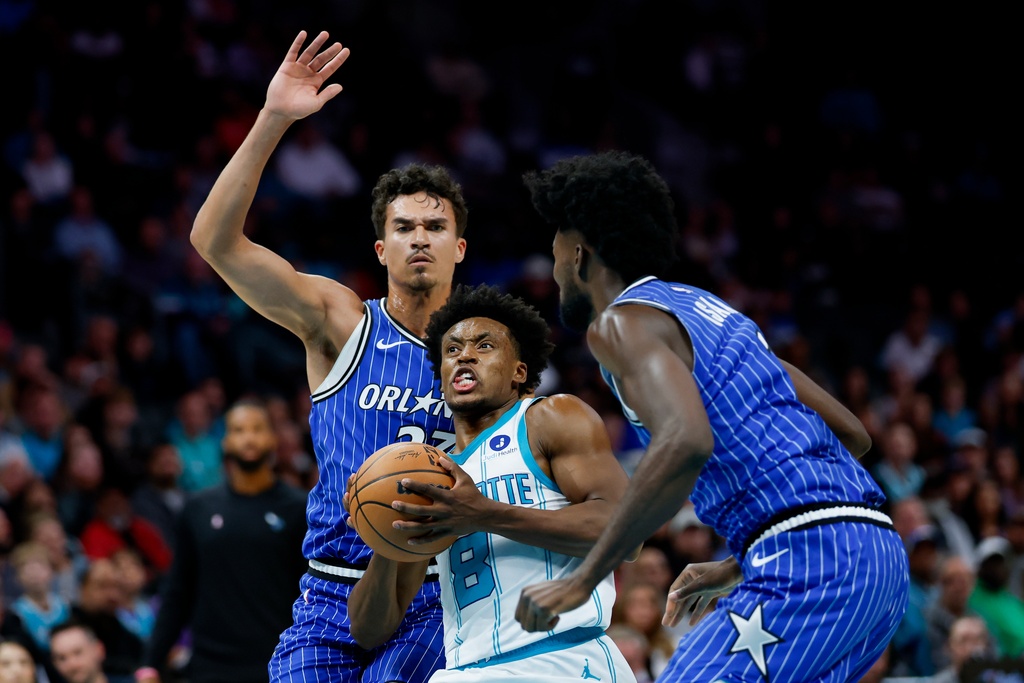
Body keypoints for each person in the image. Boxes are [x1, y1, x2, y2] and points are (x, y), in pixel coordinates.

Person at [515, 150, 910, 682]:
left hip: (810, 561)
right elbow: (854, 435)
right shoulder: (709, 312)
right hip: (877, 560)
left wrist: (585, 577)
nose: (556, 263)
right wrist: (738, 560)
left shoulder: (619, 325)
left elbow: (685, 440)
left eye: (557, 245)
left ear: (580, 253)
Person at [188, 30, 468, 681]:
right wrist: (273, 118)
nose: (418, 239)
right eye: (403, 227)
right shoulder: (340, 321)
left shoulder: (485, 352)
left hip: (435, 595)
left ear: (460, 247)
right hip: (329, 591)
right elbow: (214, 240)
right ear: (381, 250)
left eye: (435, 226)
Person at [346, 284, 636, 681]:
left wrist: (483, 515)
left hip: (563, 660)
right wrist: (381, 532)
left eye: (484, 346)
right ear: (444, 376)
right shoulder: (432, 477)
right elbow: (369, 629)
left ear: (519, 371)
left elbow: (628, 533)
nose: (464, 355)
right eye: (452, 350)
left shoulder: (549, 418)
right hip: (466, 671)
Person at [136, 399, 308, 683]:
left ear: (272, 438)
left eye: (257, 428)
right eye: (239, 430)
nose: (249, 437)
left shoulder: (299, 507)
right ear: (225, 441)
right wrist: (150, 663)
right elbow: (178, 590)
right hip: (210, 666)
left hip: (280, 661)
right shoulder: (198, 509)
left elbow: (311, 591)